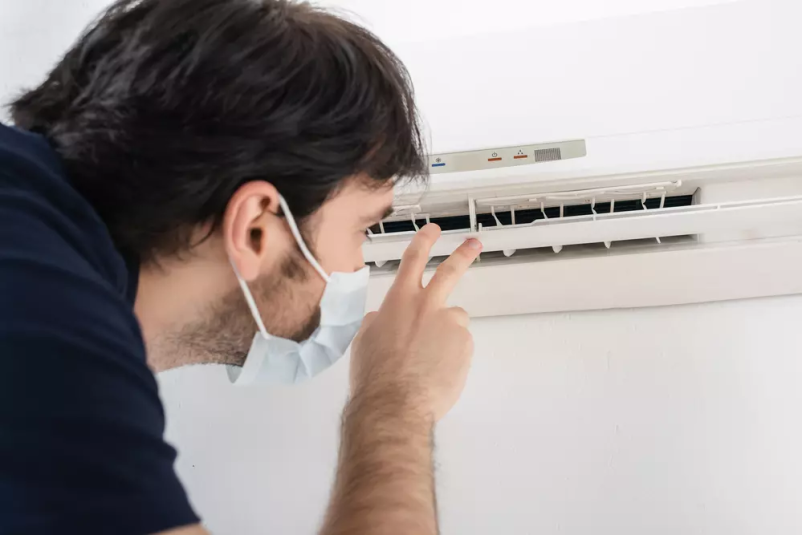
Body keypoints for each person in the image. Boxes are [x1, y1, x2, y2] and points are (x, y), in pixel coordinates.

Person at [0, 0, 482, 533]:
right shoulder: (44, 337)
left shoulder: (33, 246)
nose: (357, 264)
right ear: (255, 228)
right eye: (363, 229)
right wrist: (397, 400)